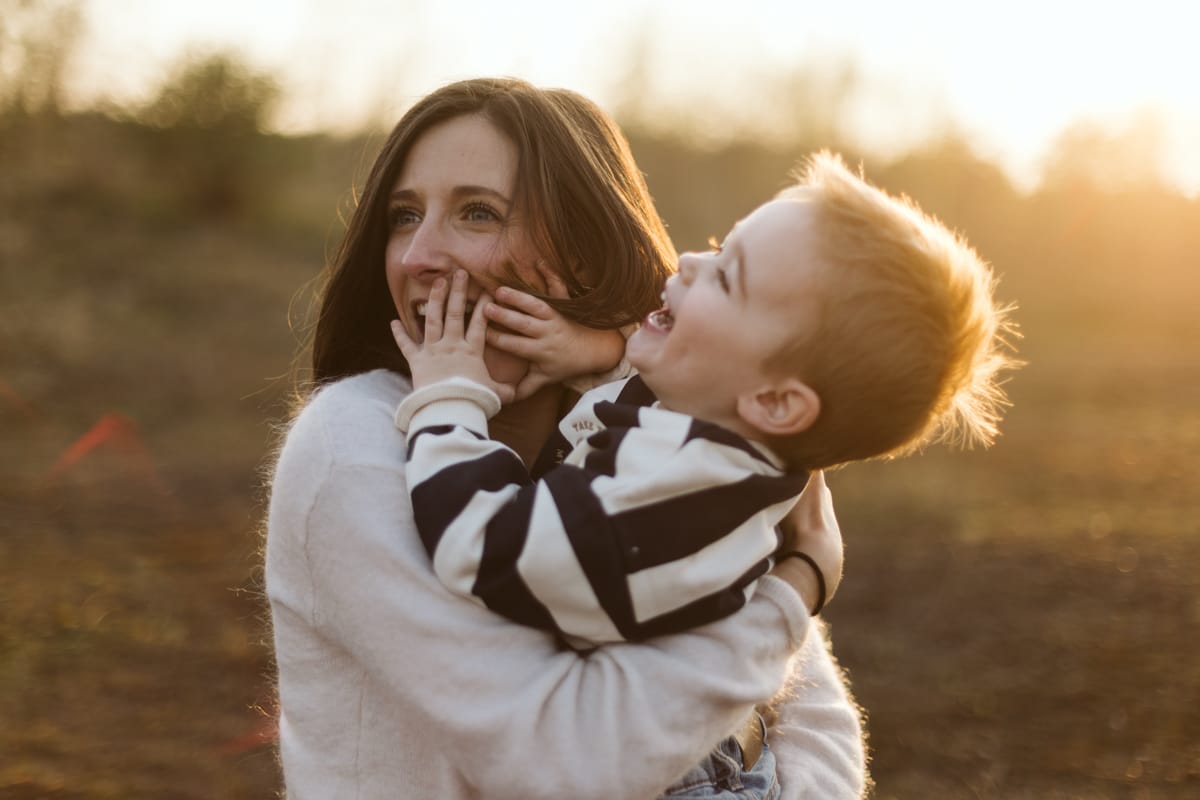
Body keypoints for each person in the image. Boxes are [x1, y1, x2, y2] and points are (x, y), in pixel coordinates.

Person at [265, 77, 866, 800]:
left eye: (477, 213)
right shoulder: (354, 443)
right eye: (402, 216)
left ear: (586, 250)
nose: (417, 255)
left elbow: (807, 715)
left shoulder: (674, 422)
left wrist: (607, 351)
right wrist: (797, 585)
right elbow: (568, 760)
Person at [391, 151, 1017, 649]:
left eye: (727, 277)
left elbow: (484, 548)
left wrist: (450, 397)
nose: (690, 260)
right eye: (719, 247)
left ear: (775, 402)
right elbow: (663, 402)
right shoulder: (725, 446)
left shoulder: (680, 492)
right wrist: (598, 355)